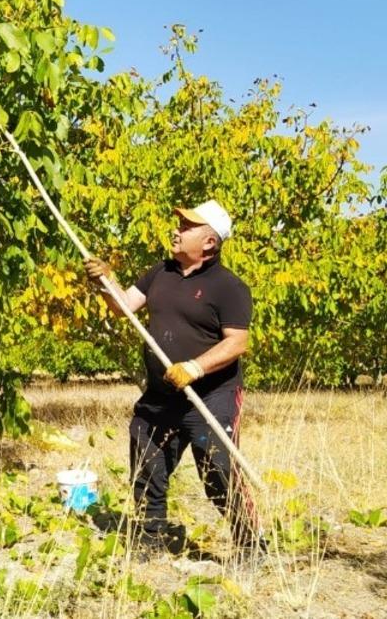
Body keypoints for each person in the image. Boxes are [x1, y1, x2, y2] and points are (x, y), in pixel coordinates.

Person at [84, 200, 263, 555]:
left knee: (218, 471)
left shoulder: (229, 287)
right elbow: (123, 307)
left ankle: (250, 545)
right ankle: (150, 539)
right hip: (162, 394)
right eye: (179, 224)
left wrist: (195, 367)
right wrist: (106, 281)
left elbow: (237, 342)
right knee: (146, 460)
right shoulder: (160, 272)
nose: (176, 231)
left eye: (186, 227)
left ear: (209, 242)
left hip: (211, 396)